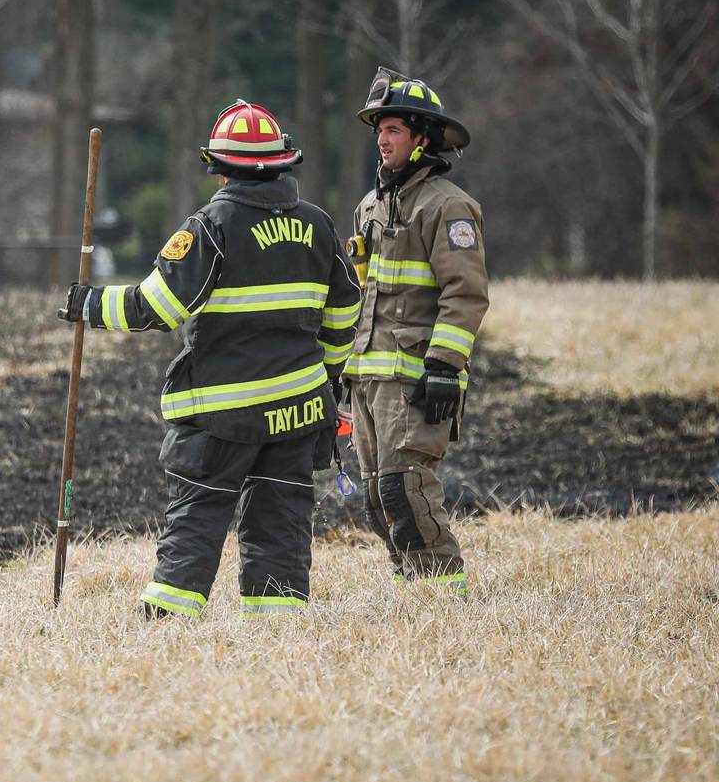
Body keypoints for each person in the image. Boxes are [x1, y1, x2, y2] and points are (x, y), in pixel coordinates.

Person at [58, 99, 361, 619]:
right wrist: (328, 377)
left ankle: (170, 616)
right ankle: (277, 623)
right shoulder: (318, 225)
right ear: (284, 163)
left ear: (219, 166)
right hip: (299, 409)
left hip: (223, 413)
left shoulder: (210, 227)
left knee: (199, 508)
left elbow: (156, 306)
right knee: (282, 516)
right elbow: (346, 309)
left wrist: (90, 304)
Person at [342, 68, 489, 593]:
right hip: (367, 379)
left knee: (406, 488)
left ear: (422, 137)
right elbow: (364, 296)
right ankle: (413, 588)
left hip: (418, 381)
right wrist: (346, 365)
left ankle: (445, 592)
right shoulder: (368, 207)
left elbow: (465, 293)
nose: (382, 140)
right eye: (378, 129)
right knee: (378, 497)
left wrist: (446, 368)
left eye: (394, 129)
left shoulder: (447, 206)